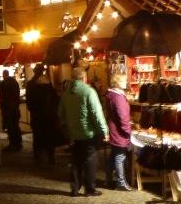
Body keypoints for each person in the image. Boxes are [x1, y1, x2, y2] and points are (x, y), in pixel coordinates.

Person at [58, 66, 108, 197]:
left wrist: (67, 126)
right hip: (88, 132)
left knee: (75, 160)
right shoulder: (89, 92)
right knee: (90, 159)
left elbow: (61, 113)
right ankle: (90, 189)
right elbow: (97, 114)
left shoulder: (66, 93)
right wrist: (104, 130)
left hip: (73, 132)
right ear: (84, 78)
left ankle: (74, 188)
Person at [26, 65, 60, 166]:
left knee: (37, 137)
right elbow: (55, 99)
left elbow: (29, 102)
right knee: (49, 137)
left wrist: (33, 110)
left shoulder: (31, 84)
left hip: (37, 116)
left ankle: (38, 158)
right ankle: (50, 157)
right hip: (48, 116)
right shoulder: (48, 84)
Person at [105, 73, 133, 190]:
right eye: (123, 81)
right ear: (117, 83)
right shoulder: (118, 97)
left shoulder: (111, 94)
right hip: (119, 131)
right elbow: (123, 116)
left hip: (114, 128)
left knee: (114, 155)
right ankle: (121, 183)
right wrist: (128, 131)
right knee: (120, 156)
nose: (125, 83)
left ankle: (109, 179)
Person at [0, 69, 22, 152]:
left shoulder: (4, 84)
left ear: (3, 75)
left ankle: (13, 144)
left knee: (11, 128)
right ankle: (18, 143)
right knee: (16, 126)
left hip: (8, 109)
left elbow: (2, 96)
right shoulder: (14, 82)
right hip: (15, 108)